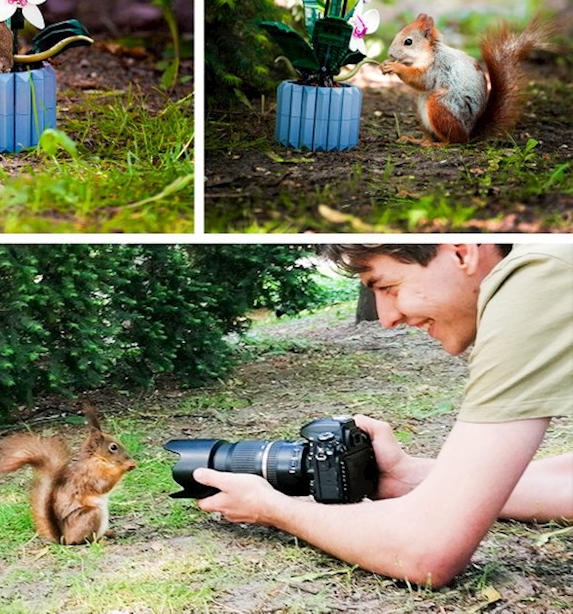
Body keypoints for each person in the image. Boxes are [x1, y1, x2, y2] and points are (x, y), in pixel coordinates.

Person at [193, 243, 573, 587]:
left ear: (461, 251)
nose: (386, 317)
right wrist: (408, 478)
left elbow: (425, 551)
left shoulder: (536, 274)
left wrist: (272, 508)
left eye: (388, 287)